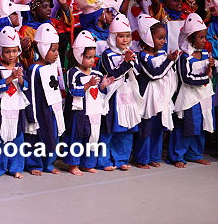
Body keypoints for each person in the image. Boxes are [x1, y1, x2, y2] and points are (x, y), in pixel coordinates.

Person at [64, 30, 113, 175]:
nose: (92, 61)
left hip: (94, 112)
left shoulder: (96, 73)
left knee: (92, 137)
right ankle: (73, 164)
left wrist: (103, 85)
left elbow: (98, 92)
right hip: (79, 113)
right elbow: (73, 91)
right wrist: (88, 85)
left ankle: (88, 163)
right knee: (76, 137)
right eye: (88, 57)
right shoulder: (73, 72)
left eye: (93, 57)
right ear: (78, 55)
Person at [98, 14, 143, 171]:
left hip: (128, 93)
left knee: (126, 128)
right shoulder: (107, 54)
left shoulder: (130, 52)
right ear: (113, 37)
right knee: (109, 128)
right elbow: (113, 74)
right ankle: (104, 161)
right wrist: (126, 62)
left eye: (127, 36)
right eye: (121, 36)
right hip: (113, 96)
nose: (125, 40)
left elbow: (137, 72)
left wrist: (131, 60)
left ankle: (121, 159)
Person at [133, 14, 179, 168]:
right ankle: (141, 158)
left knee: (158, 128)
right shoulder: (142, 56)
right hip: (148, 99)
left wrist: (170, 60)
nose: (163, 41)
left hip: (162, 97)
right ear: (147, 37)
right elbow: (154, 74)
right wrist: (170, 61)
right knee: (146, 129)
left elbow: (168, 74)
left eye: (164, 38)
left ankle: (154, 156)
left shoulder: (163, 54)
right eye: (160, 38)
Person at [170, 13, 214, 167]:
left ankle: (195, 154)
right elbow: (186, 78)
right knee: (187, 126)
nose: (204, 40)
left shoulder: (205, 54)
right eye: (201, 37)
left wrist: (212, 67)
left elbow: (211, 73)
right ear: (190, 38)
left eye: (205, 37)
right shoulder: (184, 57)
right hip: (190, 97)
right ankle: (178, 156)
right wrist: (206, 77)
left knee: (201, 125)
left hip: (204, 96)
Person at [0, 26, 29, 179]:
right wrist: (11, 78)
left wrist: (20, 77)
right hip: (1, 109)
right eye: (7, 52)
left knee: (17, 138)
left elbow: (26, 87)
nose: (11, 55)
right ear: (1, 51)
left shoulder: (20, 67)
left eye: (14, 51)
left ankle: (15, 167)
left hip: (16, 108)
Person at [24, 23, 65, 175]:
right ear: (42, 48)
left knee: (52, 136)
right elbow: (31, 93)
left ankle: (49, 163)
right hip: (40, 110)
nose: (56, 54)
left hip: (53, 109)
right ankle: (34, 164)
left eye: (57, 50)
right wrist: (32, 116)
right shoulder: (34, 69)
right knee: (36, 138)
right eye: (53, 50)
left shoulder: (52, 66)